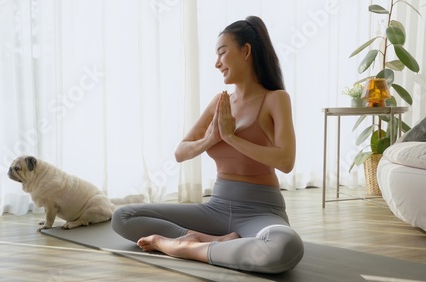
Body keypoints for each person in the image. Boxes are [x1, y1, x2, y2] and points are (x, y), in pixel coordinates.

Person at [111, 15, 304, 274]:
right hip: (215, 207)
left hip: (260, 209)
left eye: (222, 53)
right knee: (123, 217)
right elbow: (180, 153)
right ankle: (204, 239)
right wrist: (211, 139)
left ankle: (183, 247)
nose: (217, 63)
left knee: (284, 247)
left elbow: (286, 161)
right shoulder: (220, 102)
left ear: (246, 51)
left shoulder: (275, 99)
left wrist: (232, 137)